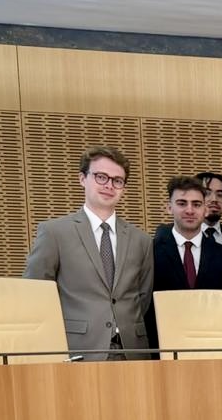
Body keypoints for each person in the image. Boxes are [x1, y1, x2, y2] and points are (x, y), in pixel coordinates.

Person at [24, 145, 154, 360]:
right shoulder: (54, 232)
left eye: (117, 180)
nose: (109, 185)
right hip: (76, 349)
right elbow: (35, 293)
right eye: (101, 177)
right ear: (82, 179)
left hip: (132, 350)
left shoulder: (142, 240)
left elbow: (143, 296)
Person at [152, 176, 222, 294]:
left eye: (196, 204)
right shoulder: (151, 253)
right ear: (169, 208)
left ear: (205, 210)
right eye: (182, 203)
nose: (190, 211)